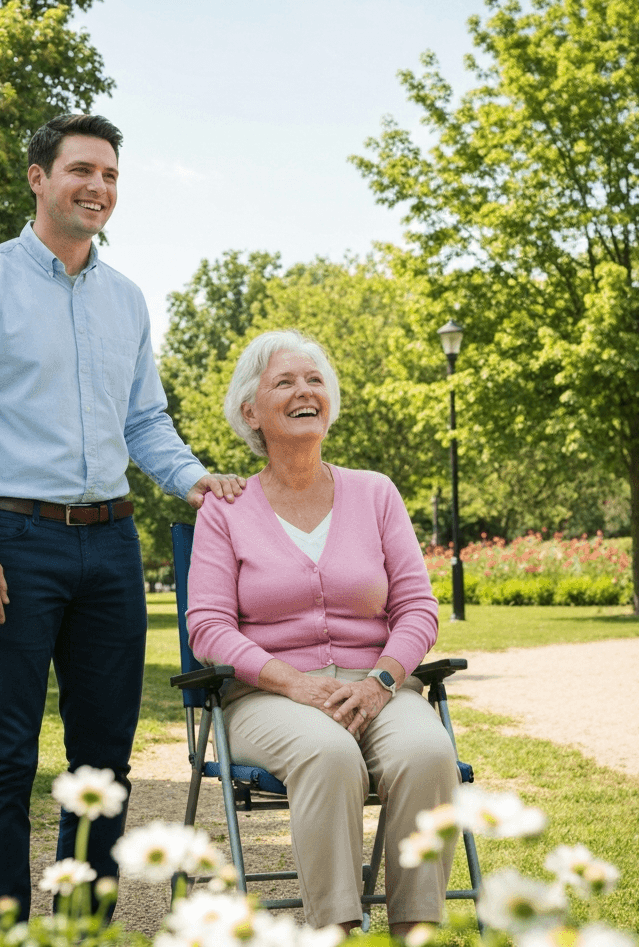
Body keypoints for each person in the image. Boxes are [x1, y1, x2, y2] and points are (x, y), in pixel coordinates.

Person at [0, 114, 244, 924]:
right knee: (4, 754)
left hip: (111, 545)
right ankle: (0, 930)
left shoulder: (126, 300)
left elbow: (144, 423)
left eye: (111, 176)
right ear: (38, 177)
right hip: (11, 542)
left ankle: (82, 931)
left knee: (103, 761)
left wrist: (198, 482)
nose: (99, 188)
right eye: (82, 171)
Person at [186, 330, 457, 935]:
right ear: (250, 411)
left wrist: (382, 681)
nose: (305, 391)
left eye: (314, 381)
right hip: (268, 698)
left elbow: (418, 607)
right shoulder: (225, 510)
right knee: (329, 753)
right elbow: (207, 627)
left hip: (376, 686)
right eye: (284, 381)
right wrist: (296, 685)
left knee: (428, 751)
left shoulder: (375, 492)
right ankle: (332, 928)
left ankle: (417, 929)